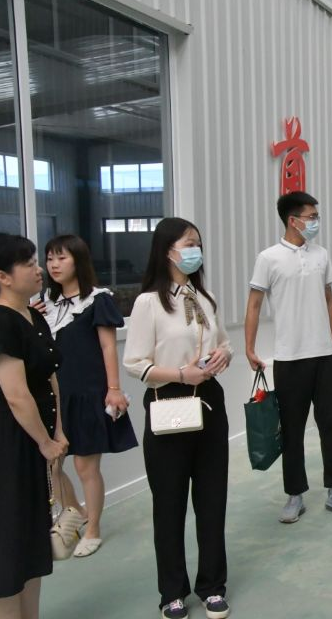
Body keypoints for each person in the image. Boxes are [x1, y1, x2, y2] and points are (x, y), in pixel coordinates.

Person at [124, 218, 233, 619]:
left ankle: (213, 586)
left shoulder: (205, 297)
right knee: (169, 505)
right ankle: (172, 591)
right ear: (167, 250)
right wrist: (180, 374)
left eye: (198, 244)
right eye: (189, 244)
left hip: (209, 402)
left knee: (212, 501)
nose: (195, 251)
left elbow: (223, 342)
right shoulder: (148, 303)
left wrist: (224, 355)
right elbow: (135, 363)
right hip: (168, 402)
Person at [0, 233, 67, 618]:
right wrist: (45, 441)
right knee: (4, 548)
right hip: (5, 446)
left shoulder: (33, 315)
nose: (39, 269)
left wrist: (58, 431)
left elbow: (50, 377)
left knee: (30, 544)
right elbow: (16, 395)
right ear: (2, 277)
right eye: (28, 263)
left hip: (36, 440)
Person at [244, 192, 332, 524]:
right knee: (292, 430)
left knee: (331, 425)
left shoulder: (321, 255)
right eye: (311, 216)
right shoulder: (269, 258)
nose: (316, 221)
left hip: (324, 356)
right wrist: (249, 348)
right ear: (293, 220)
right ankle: (295, 494)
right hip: (289, 358)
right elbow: (254, 304)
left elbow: (329, 299)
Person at [42, 234, 138, 558]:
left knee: (85, 466)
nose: (54, 264)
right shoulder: (46, 303)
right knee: (52, 465)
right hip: (56, 397)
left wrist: (113, 389)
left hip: (88, 393)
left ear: (78, 261)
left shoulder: (97, 299)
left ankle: (93, 528)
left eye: (61, 258)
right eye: (50, 258)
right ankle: (79, 513)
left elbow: (108, 346)